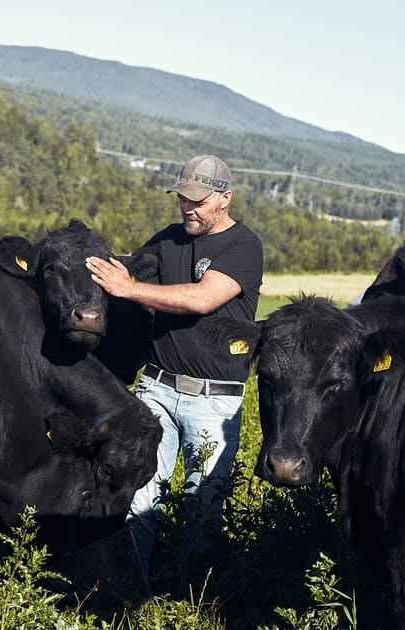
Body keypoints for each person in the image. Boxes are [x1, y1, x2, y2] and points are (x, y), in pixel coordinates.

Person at [85, 154, 263, 576]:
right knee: (138, 494)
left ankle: (190, 598)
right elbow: (129, 268)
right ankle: (128, 589)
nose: (188, 208)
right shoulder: (168, 239)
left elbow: (202, 299)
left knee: (202, 506)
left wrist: (129, 290)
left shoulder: (243, 247)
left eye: (198, 201)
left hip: (214, 402)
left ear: (225, 199)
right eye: (183, 198)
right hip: (157, 390)